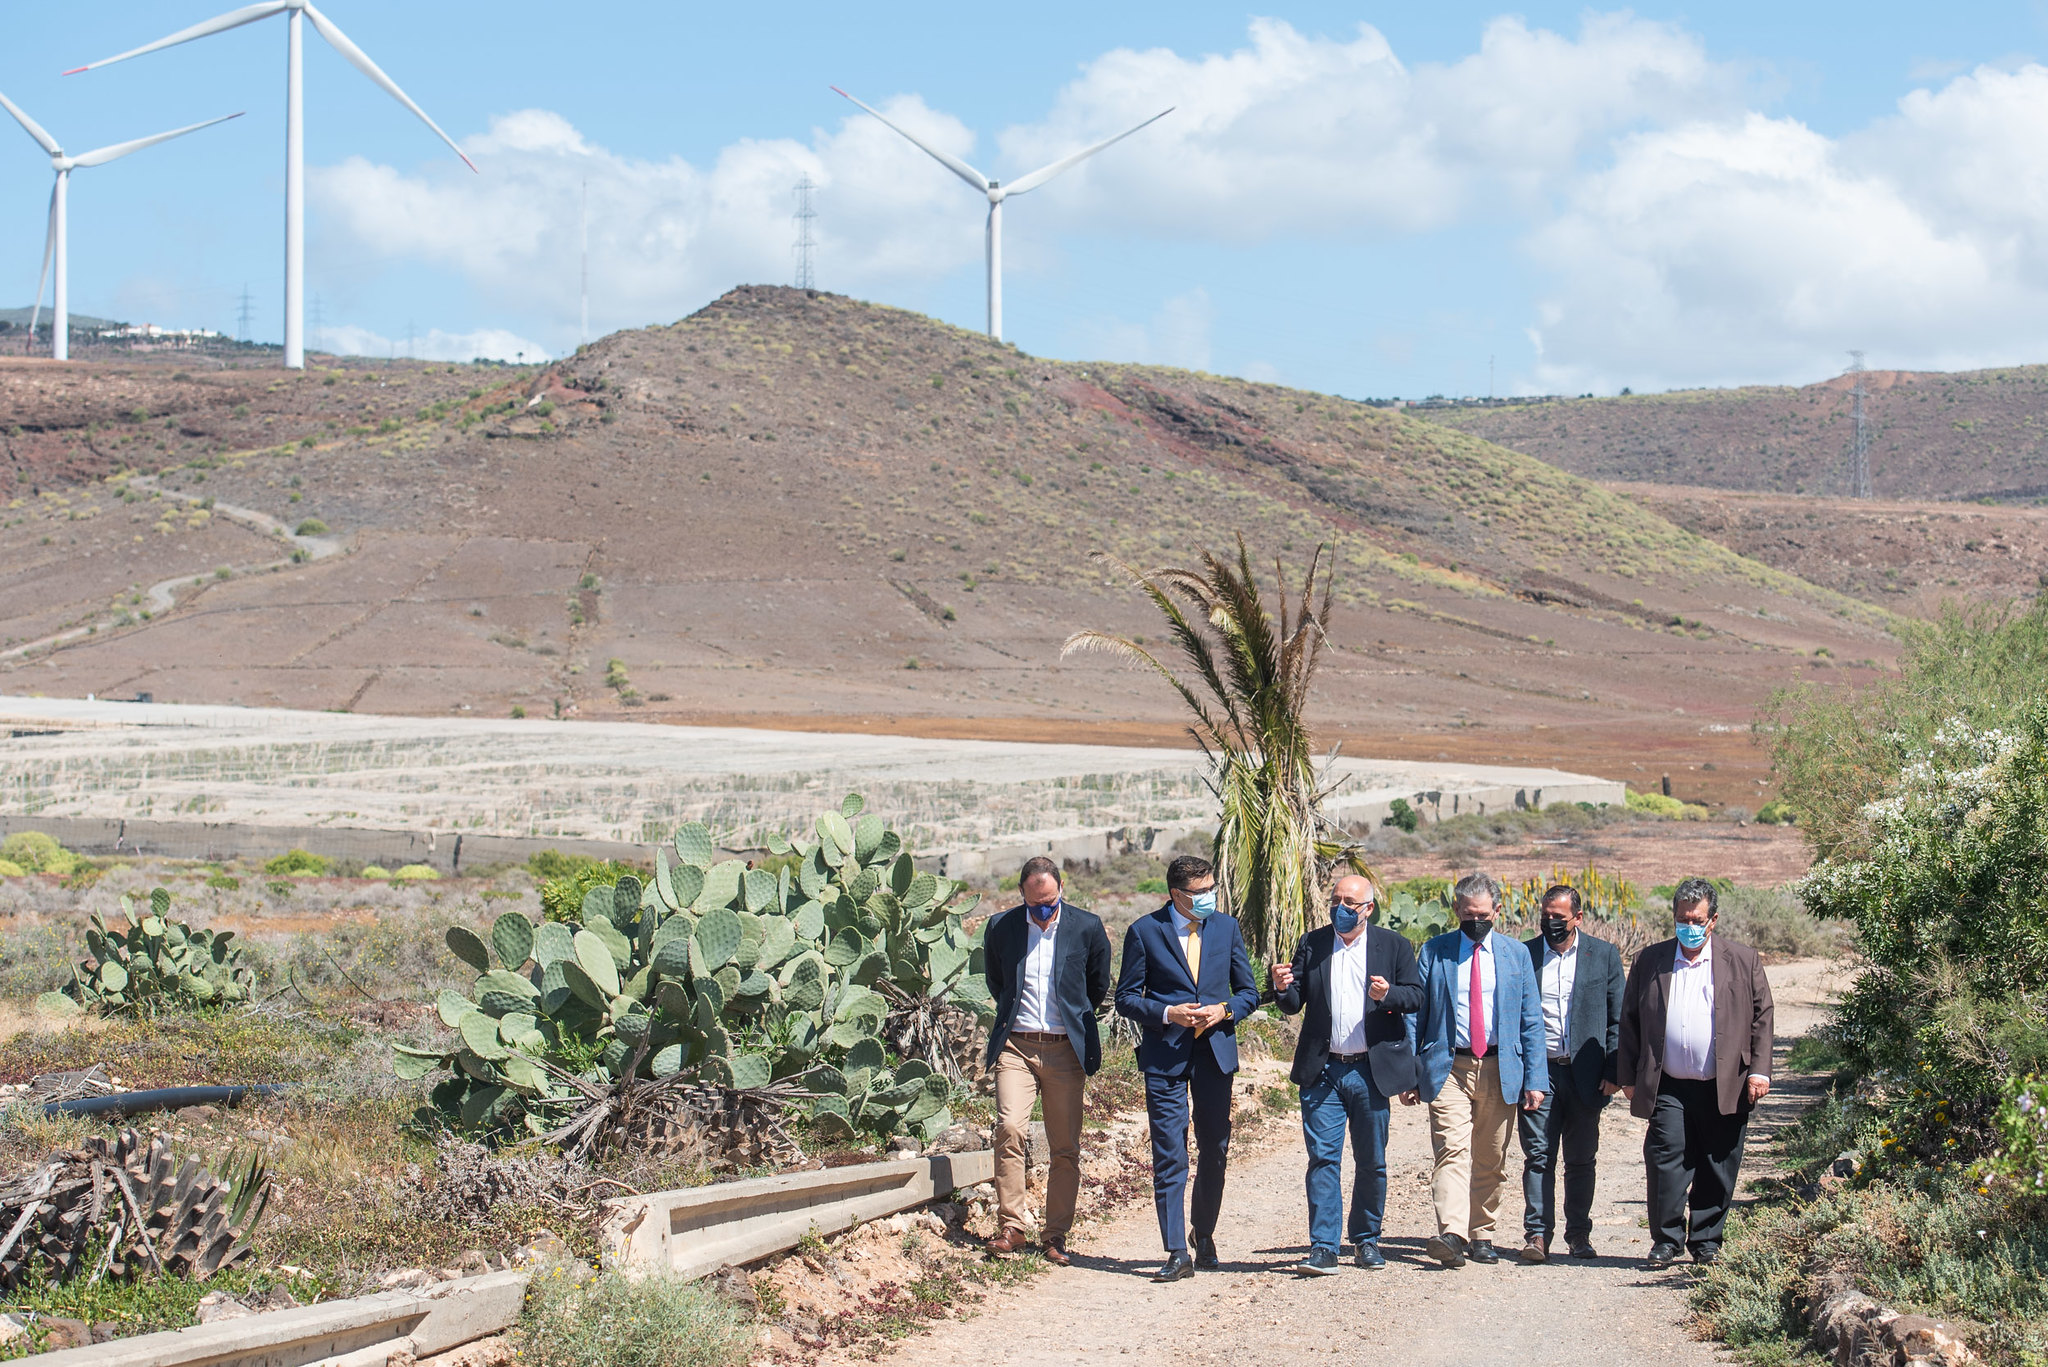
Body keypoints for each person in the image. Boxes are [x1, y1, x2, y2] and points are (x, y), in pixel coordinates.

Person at [1114, 853, 1260, 1282]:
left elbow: (1248, 992)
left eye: (1212, 890)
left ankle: (1205, 1232)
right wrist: (1166, 1013)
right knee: (1170, 1152)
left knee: (1214, 1147)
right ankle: (1176, 1250)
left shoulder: (1227, 928)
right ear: (1176, 894)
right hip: (1166, 1058)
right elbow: (1125, 998)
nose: (1209, 899)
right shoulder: (1144, 931)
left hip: (1215, 1055)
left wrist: (1226, 1011)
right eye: (1200, 894)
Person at [1617, 877, 1774, 1268]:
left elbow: (1762, 1018)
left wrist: (1759, 1072)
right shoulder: (1650, 960)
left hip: (1725, 1083)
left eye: (1696, 918)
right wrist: (1628, 1077)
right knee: (1666, 1158)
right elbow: (1630, 1020)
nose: (1689, 925)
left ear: (1713, 919)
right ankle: (1666, 1239)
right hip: (1668, 1083)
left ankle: (1706, 1240)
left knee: (1717, 1162)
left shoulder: (1742, 960)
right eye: (1682, 918)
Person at [1271, 872, 1423, 1274]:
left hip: (1371, 1072)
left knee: (1372, 1160)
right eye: (1335, 900)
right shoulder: (1313, 943)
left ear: (1368, 908)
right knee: (1323, 1159)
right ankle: (1323, 1246)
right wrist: (1282, 986)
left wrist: (1388, 994)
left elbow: (1416, 995)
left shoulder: (1393, 945)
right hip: (1324, 1070)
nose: (1340, 907)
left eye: (1350, 902)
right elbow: (1292, 1002)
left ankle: (1366, 1239)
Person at [1403, 871, 1547, 1268]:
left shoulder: (1516, 955)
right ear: (1456, 911)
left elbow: (1530, 1020)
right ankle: (1452, 1232)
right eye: (1469, 915)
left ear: (1497, 912)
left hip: (1501, 1067)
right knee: (1451, 1149)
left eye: (1483, 914)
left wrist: (1536, 1079)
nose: (1476, 921)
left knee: (1491, 1156)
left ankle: (1483, 1234)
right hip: (1449, 1066)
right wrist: (1411, 1073)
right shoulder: (1435, 952)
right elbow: (1416, 1015)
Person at [980, 855, 1114, 1264]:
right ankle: (1012, 1227)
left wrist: (1072, 1021)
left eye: (1051, 903)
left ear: (1061, 892)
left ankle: (1055, 1235)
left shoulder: (1086, 927)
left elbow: (1097, 985)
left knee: (1064, 1146)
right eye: (1036, 903)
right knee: (1010, 1129)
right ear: (1022, 894)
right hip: (1015, 1045)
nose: (1044, 911)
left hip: (1065, 1049)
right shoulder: (1001, 928)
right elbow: (997, 982)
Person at [1514, 884, 1625, 1263]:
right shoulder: (1524, 955)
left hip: (1586, 1076)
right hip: (1539, 1073)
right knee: (1538, 1156)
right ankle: (1536, 1235)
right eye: (1545, 917)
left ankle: (1578, 1234)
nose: (1550, 924)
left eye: (1558, 918)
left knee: (1580, 1159)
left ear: (1578, 918)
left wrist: (1614, 1070)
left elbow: (1617, 1019)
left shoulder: (1604, 956)